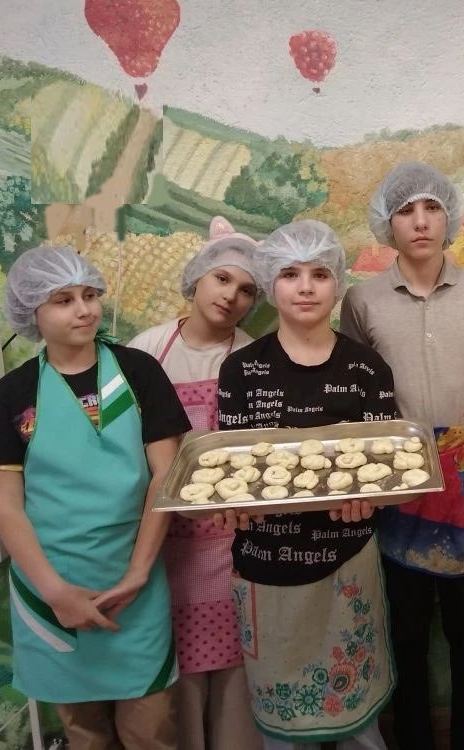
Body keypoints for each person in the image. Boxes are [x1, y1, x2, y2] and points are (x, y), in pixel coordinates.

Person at [0, 246, 191, 750]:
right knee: (84, 736)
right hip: (49, 587)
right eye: (63, 300)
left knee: (151, 731)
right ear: (32, 312)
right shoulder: (12, 394)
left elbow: (165, 477)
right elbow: (6, 506)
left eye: (90, 295)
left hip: (136, 584)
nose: (84, 309)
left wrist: (138, 573)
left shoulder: (139, 373)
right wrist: (55, 592)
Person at [216, 220, 398, 750]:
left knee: (360, 730)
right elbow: (232, 469)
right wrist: (232, 504)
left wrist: (370, 499)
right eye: (290, 274)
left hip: (347, 561)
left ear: (337, 282)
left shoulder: (367, 368)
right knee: (283, 733)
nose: (305, 287)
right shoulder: (241, 370)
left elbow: (387, 466)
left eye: (319, 274)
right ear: (270, 282)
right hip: (266, 565)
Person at [340, 161, 464, 750]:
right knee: (404, 630)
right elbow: (354, 384)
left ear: (449, 216)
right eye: (406, 209)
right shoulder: (362, 300)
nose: (421, 220)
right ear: (388, 222)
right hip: (396, 474)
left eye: (433, 207)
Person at [129, 216, 262, 750]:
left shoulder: (252, 358)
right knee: (177, 682)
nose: (231, 296)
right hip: (166, 545)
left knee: (236, 680)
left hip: (233, 543)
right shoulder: (147, 351)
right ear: (197, 279)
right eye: (222, 279)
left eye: (246, 289)